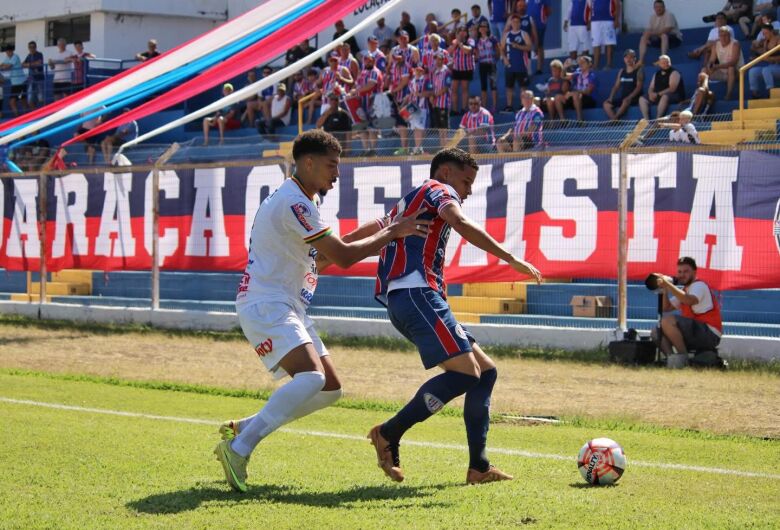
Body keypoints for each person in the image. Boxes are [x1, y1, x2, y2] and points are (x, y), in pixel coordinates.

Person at [215, 129, 431, 493]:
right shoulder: (295, 203)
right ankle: (239, 448)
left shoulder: (301, 202)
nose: (337, 173)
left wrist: (382, 226)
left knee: (329, 388)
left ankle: (244, 427)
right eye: (332, 165)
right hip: (267, 303)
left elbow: (329, 256)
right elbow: (344, 257)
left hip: (286, 305)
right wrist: (393, 232)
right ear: (308, 163)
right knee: (312, 378)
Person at [368, 148, 542, 485]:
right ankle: (388, 433)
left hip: (412, 297)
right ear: (446, 172)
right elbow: (459, 221)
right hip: (416, 293)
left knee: (485, 372)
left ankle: (478, 467)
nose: (468, 190)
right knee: (466, 374)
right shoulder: (439, 189)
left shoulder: (408, 201)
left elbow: (370, 232)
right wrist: (511, 259)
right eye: (466, 181)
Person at [650, 257, 722, 368]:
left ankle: (683, 359)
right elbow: (666, 308)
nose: (682, 275)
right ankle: (673, 360)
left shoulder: (699, 285)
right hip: (696, 332)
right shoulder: (685, 290)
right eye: (679, 272)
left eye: (686, 271)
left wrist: (669, 285)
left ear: (695, 271)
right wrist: (664, 290)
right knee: (656, 331)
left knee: (667, 321)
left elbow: (689, 300)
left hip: (710, 334)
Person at [352, 53, 383, 156]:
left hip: (373, 103)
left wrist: (356, 91)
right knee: (362, 127)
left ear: (374, 61)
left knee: (372, 128)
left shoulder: (375, 71)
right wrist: (354, 92)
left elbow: (370, 85)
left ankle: (373, 150)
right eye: (366, 60)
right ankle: (366, 150)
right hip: (362, 103)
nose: (368, 62)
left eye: (370, 60)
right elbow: (357, 85)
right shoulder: (363, 72)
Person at [502, 14, 533, 111]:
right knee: (509, 87)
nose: (515, 23)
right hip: (510, 65)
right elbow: (501, 48)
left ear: (520, 23)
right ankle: (509, 106)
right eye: (513, 22)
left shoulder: (524, 34)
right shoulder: (506, 34)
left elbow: (529, 47)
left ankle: (522, 105)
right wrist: (504, 59)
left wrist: (518, 46)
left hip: (521, 64)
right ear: (510, 23)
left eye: (517, 22)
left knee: (523, 86)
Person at [639, 55, 685, 119]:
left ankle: (658, 119)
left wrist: (658, 94)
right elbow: (651, 87)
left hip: (674, 95)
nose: (666, 64)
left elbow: (672, 88)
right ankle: (647, 120)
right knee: (642, 99)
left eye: (667, 62)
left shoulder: (674, 72)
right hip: (657, 95)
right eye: (663, 63)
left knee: (665, 97)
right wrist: (650, 94)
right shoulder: (657, 73)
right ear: (659, 64)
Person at [703, 26, 744, 100]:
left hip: (737, 71)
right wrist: (710, 65)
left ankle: (728, 94)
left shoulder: (735, 44)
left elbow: (733, 62)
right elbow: (712, 59)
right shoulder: (716, 44)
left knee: (730, 68)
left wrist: (717, 66)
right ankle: (703, 94)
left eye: (725, 35)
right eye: (721, 36)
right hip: (722, 71)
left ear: (729, 35)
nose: (723, 38)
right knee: (704, 71)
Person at [603, 49, 644, 121]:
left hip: (634, 98)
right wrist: (611, 97)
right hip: (624, 97)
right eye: (626, 57)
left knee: (625, 101)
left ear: (635, 58)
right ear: (624, 59)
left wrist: (630, 97)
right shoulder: (622, 71)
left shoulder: (639, 71)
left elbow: (639, 87)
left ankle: (614, 119)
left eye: (631, 57)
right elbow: (616, 86)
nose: (628, 59)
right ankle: (615, 120)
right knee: (606, 104)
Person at [557, 55, 597, 122]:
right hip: (576, 98)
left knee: (576, 94)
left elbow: (588, 92)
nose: (580, 64)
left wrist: (573, 93)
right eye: (580, 63)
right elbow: (563, 76)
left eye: (583, 63)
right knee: (558, 97)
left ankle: (580, 119)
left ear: (589, 64)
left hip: (588, 100)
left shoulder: (592, 76)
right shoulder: (578, 74)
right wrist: (564, 67)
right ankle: (563, 120)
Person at [402, 64, 432, 154]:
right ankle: (418, 147)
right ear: (414, 70)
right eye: (417, 70)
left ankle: (418, 148)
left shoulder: (426, 80)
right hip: (413, 107)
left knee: (420, 128)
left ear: (422, 71)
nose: (418, 72)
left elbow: (430, 92)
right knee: (415, 127)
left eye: (420, 70)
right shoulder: (411, 82)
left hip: (422, 107)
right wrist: (403, 104)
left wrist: (419, 94)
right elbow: (408, 95)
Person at [386, 50, 411, 155]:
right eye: (395, 58)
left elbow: (404, 81)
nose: (397, 60)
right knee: (400, 124)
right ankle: (404, 148)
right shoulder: (394, 67)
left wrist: (394, 90)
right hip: (397, 99)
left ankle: (406, 149)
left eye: (399, 58)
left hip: (406, 99)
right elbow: (392, 80)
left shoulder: (405, 66)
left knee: (404, 124)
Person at [448, 27, 476, 115]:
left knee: (465, 89)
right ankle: (455, 109)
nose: (462, 33)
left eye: (464, 31)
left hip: (467, 68)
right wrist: (455, 44)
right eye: (460, 31)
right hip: (456, 68)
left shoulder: (470, 41)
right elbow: (449, 51)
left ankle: (464, 109)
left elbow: (467, 51)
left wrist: (460, 43)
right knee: (454, 89)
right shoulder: (454, 42)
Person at [429, 51, 453, 148]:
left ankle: (446, 148)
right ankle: (442, 147)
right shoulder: (434, 72)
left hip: (444, 103)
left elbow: (446, 87)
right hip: (436, 103)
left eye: (439, 59)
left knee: (444, 127)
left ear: (443, 60)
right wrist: (431, 96)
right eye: (436, 59)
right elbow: (432, 86)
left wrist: (434, 95)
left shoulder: (446, 71)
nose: (437, 61)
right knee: (440, 128)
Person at [748, 24, 780, 97]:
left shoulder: (778, 40)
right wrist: (755, 51)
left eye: (766, 33)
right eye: (763, 33)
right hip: (772, 66)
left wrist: (770, 59)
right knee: (753, 71)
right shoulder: (766, 42)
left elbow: (769, 58)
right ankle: (755, 94)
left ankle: (771, 93)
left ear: (771, 31)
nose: (764, 35)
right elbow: (764, 55)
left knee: (766, 70)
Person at [589, 0, 621, 70]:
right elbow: (591, 6)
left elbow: (617, 4)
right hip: (595, 20)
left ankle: (609, 64)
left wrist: (616, 19)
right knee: (596, 43)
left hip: (608, 19)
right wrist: (590, 20)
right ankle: (595, 65)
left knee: (609, 42)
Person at [476, 22, 500, 112]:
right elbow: (476, 52)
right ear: (479, 29)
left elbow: (498, 49)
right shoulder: (477, 40)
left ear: (487, 28)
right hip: (482, 64)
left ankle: (494, 106)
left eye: (484, 27)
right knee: (483, 86)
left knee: (493, 85)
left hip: (491, 64)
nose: (482, 28)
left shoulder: (492, 38)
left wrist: (496, 59)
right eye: (481, 27)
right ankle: (484, 107)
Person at [0, 44, 28, 117]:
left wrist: (3, 66)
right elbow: (2, 64)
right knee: (15, 101)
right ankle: (19, 117)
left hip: (20, 82)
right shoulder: (8, 58)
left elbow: (8, 66)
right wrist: (3, 66)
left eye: (9, 51)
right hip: (15, 83)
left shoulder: (15, 57)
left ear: (12, 51)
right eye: (6, 51)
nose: (7, 53)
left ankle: (24, 117)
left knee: (22, 100)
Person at [527, 0, 552, 73]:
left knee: (539, 45)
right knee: (527, 45)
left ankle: (539, 68)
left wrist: (543, 18)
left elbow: (549, 10)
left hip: (539, 24)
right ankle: (528, 68)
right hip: (528, 24)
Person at [22, 41, 44, 109]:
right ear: (28, 48)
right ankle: (35, 115)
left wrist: (29, 64)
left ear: (36, 47)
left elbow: (39, 63)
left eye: (33, 47)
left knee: (41, 99)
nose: (32, 49)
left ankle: (44, 115)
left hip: (39, 79)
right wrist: (33, 64)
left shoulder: (39, 54)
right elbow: (22, 64)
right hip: (31, 80)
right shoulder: (28, 56)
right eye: (30, 47)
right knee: (30, 100)